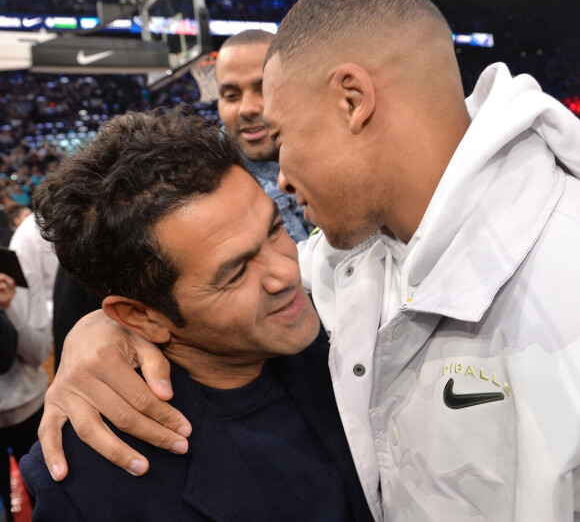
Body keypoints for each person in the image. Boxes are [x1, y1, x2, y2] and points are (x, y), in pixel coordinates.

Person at [36, 0, 580, 521]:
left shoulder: (562, 266)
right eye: (235, 270)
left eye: (284, 134)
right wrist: (106, 332)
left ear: (352, 101)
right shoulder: (350, 261)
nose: (284, 175)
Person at [20, 108, 374, 521]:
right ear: (142, 316)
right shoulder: (88, 486)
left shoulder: (348, 328)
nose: (285, 271)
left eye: (275, 229)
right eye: (237, 272)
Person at [216, 29, 312, 242]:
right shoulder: (209, 191)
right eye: (231, 96)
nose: (247, 109)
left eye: (265, 89)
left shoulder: (345, 159)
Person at [0, 261, 51, 520]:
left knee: (44, 488)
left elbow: (38, 353)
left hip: (30, 406)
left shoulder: (25, 277)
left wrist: (8, 309)